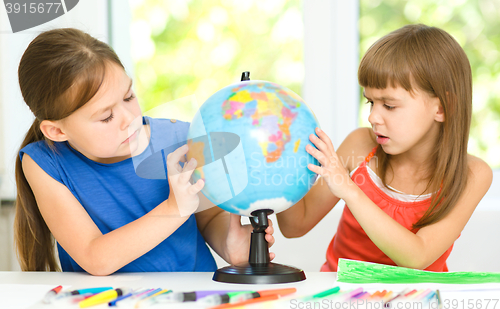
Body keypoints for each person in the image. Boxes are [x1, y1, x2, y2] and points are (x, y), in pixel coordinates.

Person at [14, 28, 274, 275]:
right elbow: (95, 257)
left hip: (194, 299)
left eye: (128, 97)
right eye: (106, 117)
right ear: (58, 132)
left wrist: (231, 246)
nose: (130, 118)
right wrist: (174, 208)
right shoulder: (44, 163)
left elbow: (206, 219)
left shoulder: (181, 138)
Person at [277, 24, 492, 272]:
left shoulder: (472, 174)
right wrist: (280, 155)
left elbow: (417, 257)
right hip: (342, 301)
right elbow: (295, 226)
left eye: (389, 105)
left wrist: (349, 189)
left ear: (442, 108)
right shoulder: (360, 145)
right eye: (371, 102)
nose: (373, 117)